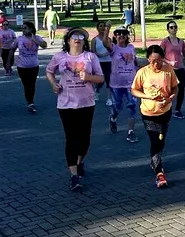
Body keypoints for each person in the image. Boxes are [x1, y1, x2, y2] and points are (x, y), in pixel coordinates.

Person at [46, 27, 104, 191]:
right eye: (74, 36)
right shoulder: (60, 57)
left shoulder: (90, 57)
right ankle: (74, 176)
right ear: (68, 40)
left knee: (84, 140)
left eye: (81, 36)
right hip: (66, 104)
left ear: (84, 41)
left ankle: (80, 162)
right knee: (71, 139)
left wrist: (89, 77)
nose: (77, 39)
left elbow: (100, 78)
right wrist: (53, 84)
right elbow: (49, 71)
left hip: (86, 103)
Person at [131, 45, 178, 188]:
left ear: (163, 59)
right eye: (152, 61)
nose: (155, 64)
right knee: (154, 140)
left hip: (165, 111)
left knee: (161, 139)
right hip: (148, 112)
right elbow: (134, 90)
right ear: (148, 59)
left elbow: (175, 87)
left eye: (158, 60)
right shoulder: (142, 72)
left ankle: (154, 160)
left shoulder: (168, 70)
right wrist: (146, 96)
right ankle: (159, 173)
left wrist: (171, 98)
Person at [105, 27, 139, 142]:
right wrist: (107, 30)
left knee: (133, 107)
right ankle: (113, 118)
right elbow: (105, 43)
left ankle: (131, 132)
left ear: (127, 36)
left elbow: (135, 62)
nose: (121, 35)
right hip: (117, 85)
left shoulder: (131, 48)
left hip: (131, 84)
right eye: (118, 34)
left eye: (124, 33)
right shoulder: (114, 48)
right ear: (115, 36)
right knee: (117, 107)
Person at [160, 21, 185, 119]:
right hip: (169, 69)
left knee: (181, 89)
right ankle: (167, 108)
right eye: (171, 27)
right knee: (168, 90)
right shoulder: (165, 41)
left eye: (175, 27)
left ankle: (177, 110)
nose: (174, 29)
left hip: (180, 68)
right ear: (168, 30)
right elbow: (160, 56)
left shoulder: (181, 41)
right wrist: (168, 62)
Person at [10, 21, 47, 113]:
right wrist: (8, 62)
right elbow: (12, 49)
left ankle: (31, 101)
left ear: (31, 29)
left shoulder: (37, 38)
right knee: (26, 85)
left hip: (34, 65)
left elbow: (44, 46)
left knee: (32, 84)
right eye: (22, 28)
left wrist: (35, 40)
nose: (23, 30)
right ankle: (30, 102)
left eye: (25, 28)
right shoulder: (19, 39)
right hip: (22, 66)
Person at [91, 21, 113, 106]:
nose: (103, 28)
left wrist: (107, 54)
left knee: (109, 80)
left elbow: (111, 49)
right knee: (100, 80)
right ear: (97, 28)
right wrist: (99, 55)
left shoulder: (108, 39)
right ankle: (97, 90)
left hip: (108, 61)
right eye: (100, 26)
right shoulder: (94, 40)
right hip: (99, 62)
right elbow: (93, 51)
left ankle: (109, 98)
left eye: (104, 26)